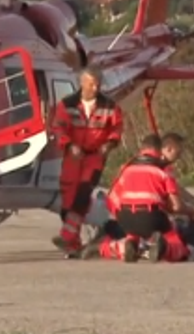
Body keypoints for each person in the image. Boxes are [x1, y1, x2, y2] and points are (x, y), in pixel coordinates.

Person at [50, 65, 124, 256]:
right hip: (72, 157)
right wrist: (69, 145)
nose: (96, 88)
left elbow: (116, 128)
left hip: (95, 157)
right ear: (82, 83)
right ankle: (73, 243)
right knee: (68, 203)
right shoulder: (66, 105)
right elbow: (58, 128)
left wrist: (110, 144)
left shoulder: (110, 106)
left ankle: (67, 235)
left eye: (98, 84)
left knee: (84, 192)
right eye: (92, 84)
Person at [91, 134, 193, 263]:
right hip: (152, 218)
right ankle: (164, 248)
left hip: (125, 218)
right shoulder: (164, 170)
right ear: (159, 150)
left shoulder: (126, 168)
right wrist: (190, 211)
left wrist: (121, 217)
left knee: (133, 236)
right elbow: (176, 207)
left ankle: (114, 248)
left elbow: (111, 200)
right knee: (178, 246)